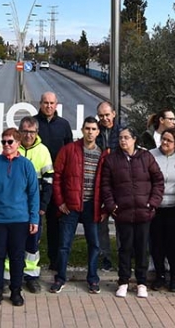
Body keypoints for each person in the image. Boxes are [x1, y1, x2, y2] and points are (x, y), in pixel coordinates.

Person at [100, 126, 164, 300]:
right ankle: (123, 282)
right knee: (125, 248)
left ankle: (141, 283)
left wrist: (153, 203)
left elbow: (158, 180)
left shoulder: (146, 157)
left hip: (144, 212)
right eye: (120, 138)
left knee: (142, 248)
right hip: (123, 213)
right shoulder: (112, 160)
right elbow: (106, 186)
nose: (123, 141)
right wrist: (112, 206)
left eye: (126, 137)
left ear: (134, 139)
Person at [0, 127, 39, 308]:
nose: (6, 145)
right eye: (4, 141)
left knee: (16, 257)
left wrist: (34, 218)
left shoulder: (26, 165)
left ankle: (16, 291)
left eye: (10, 142)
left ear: (18, 144)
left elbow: (33, 193)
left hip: (20, 220)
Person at [50, 116, 103, 295]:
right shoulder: (69, 150)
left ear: (98, 132)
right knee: (64, 244)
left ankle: (93, 279)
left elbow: (105, 183)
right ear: (82, 130)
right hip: (70, 206)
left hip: (91, 206)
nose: (90, 132)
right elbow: (56, 177)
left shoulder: (101, 154)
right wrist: (60, 202)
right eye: (87, 128)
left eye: (93, 129)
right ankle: (60, 278)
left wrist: (103, 208)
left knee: (94, 244)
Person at [15, 116, 53, 293]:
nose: (28, 135)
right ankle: (10, 275)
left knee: (32, 242)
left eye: (31, 132)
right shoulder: (13, 148)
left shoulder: (43, 151)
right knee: (13, 241)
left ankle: (31, 276)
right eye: (25, 131)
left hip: (34, 207)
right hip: (14, 207)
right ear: (19, 132)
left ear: (37, 132)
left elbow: (49, 181)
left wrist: (43, 206)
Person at [35, 92, 72, 270]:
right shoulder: (33, 124)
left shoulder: (64, 125)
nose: (48, 106)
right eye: (45, 103)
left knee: (54, 223)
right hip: (36, 183)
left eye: (51, 103)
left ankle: (54, 261)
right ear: (40, 104)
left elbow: (70, 153)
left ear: (56, 105)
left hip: (56, 182)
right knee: (33, 223)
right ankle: (30, 263)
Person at [149, 127, 175, 292]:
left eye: (169, 141)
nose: (164, 143)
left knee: (172, 244)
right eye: (163, 139)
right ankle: (159, 276)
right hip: (156, 207)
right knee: (156, 243)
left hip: (174, 207)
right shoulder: (151, 155)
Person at [95, 100, 121, 271]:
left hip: (119, 184)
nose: (104, 118)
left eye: (107, 114)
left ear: (114, 114)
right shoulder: (94, 131)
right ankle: (105, 257)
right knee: (101, 223)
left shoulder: (122, 132)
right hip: (99, 183)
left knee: (122, 222)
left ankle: (123, 255)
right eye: (101, 115)